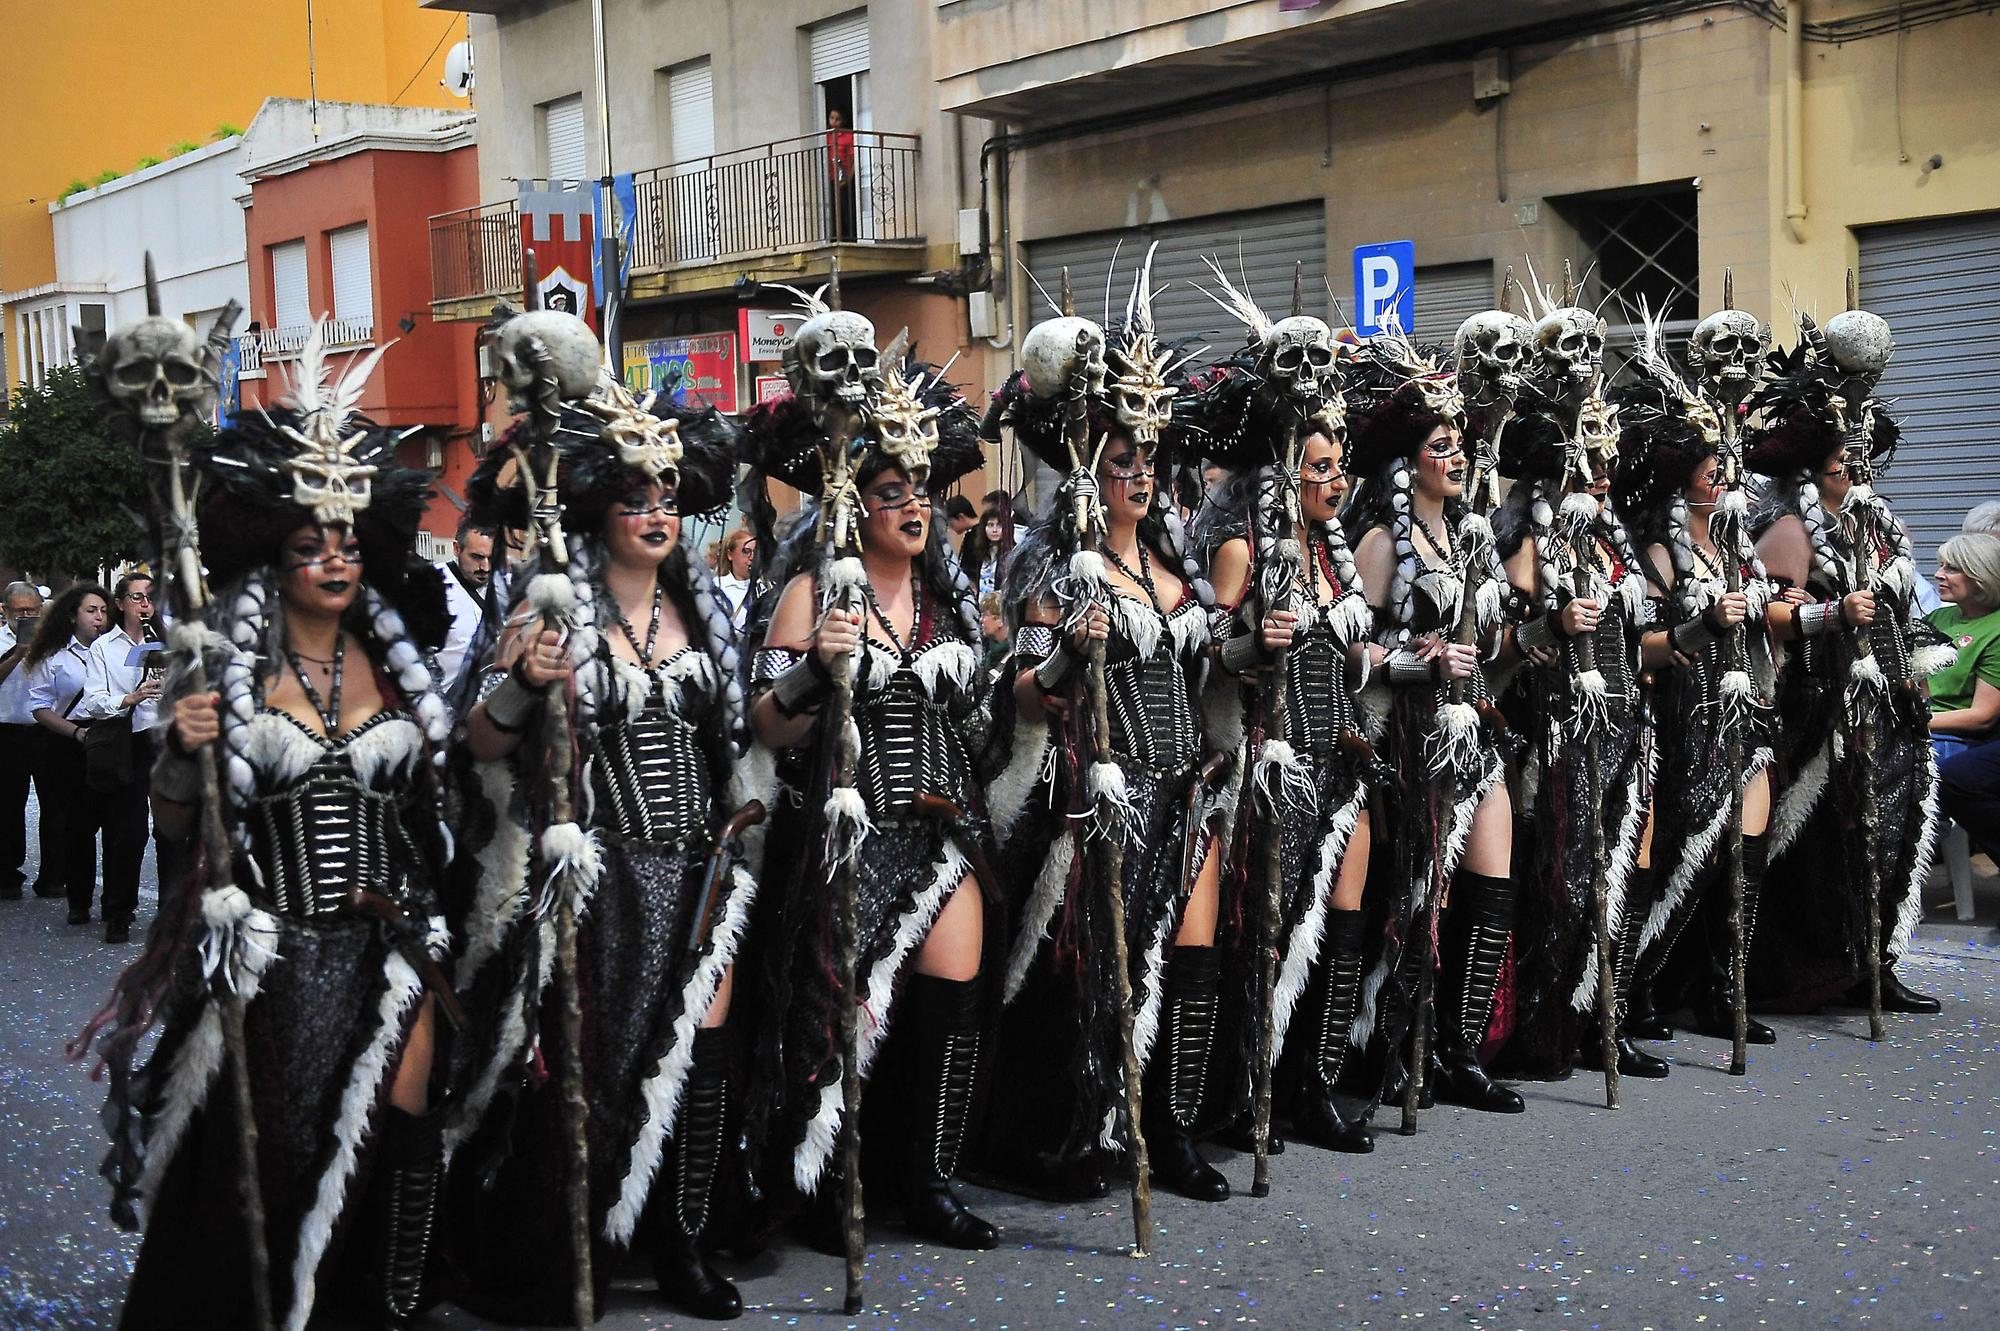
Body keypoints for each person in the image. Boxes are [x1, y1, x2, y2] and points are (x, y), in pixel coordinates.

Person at [91, 342, 456, 1330]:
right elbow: (175, 816)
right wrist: (182, 745)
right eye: (310, 543)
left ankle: (388, 1303)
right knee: (287, 1140)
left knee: (406, 1112)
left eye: (346, 541)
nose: (333, 559)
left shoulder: (398, 658)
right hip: (280, 945)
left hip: (393, 934)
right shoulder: (223, 668)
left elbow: (444, 800)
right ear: (274, 551)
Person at [447, 363, 753, 1322]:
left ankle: (681, 1244)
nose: (657, 513)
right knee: (594, 1065)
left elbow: (737, 739)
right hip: (601, 872)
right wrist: (529, 684)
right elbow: (479, 744)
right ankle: (570, 1245)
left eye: (668, 497)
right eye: (635, 497)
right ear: (598, 511)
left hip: (699, 866)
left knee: (697, 1054)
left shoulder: (702, 610)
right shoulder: (548, 610)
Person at [978, 267, 1237, 1203]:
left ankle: (1169, 1130)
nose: (1138, 476)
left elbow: (1209, 666)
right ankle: (1084, 1131)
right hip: (1101, 796)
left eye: (1148, 462)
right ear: (1090, 465)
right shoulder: (1055, 565)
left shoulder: (1174, 562)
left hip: (1188, 785)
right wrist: (1063, 658)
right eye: (1120, 459)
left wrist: (1256, 642)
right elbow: (1027, 690)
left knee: (1191, 960)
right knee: (1103, 975)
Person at [737, 332, 1000, 1251]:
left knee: (952, 999)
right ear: (856, 502)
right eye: (893, 492)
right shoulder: (815, 595)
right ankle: (823, 1181)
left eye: (921, 491)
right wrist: (816, 670)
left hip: (939, 831)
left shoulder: (950, 603)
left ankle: (927, 1183)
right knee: (837, 1017)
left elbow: (989, 716)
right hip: (848, 836)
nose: (914, 506)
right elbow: (766, 722)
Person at [1343, 334, 1525, 1116]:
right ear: (1409, 460)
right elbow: (1351, 649)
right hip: (1408, 744)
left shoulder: (1472, 536)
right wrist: (1416, 662)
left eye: (1460, 444)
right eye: (1439, 445)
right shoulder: (1385, 540)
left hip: (1472, 734)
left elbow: (1486, 644)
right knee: (1423, 894)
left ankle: (1459, 1049)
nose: (1456, 457)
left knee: (1492, 884)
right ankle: (1395, 1042)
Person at [1747, 311, 1943, 1015]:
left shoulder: (1880, 522)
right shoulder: (1792, 527)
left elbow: (1904, 607)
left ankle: (1879, 961)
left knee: (1897, 829)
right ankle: (1822, 967)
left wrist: (1912, 668)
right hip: (1825, 705)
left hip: (1892, 700)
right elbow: (1766, 612)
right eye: (1842, 465)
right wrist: (1833, 614)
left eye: (1862, 463)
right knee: (1837, 840)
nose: (1856, 473)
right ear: (1814, 471)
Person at [1491, 382, 1663, 1079]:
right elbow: (1498, 644)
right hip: (1558, 730)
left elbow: (1643, 639)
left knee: (1624, 869)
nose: (1599, 466)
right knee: (1569, 880)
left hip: (1626, 721)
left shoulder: (1607, 536)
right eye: (1581, 454)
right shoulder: (1526, 536)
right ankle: (1551, 1023)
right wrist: (1551, 626)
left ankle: (1608, 1020)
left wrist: (1702, 630)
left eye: (1604, 452)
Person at [76, 572, 166, 943]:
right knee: (128, 832)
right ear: (121, 603)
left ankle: (170, 913)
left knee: (172, 832)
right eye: (136, 598)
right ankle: (119, 911)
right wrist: (130, 697)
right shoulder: (104, 647)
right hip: (128, 741)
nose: (144, 605)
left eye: (150, 598)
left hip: (166, 739)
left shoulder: (167, 640)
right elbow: (93, 700)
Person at [24, 582, 112, 925]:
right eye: (91, 611)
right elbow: (40, 707)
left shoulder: (116, 650)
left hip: (110, 738)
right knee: (76, 825)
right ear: (73, 615)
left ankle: (118, 901)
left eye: (104, 611)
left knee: (119, 823)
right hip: (68, 740)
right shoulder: (56, 655)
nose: (99, 618)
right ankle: (79, 899)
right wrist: (76, 732)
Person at [1928, 532, 2000, 864]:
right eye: (1942, 565)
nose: (1939, 574)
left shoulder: (1996, 629)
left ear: (1982, 576)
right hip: (1922, 727)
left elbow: (1982, 716)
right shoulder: (1938, 619)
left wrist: (1915, 721)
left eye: (1952, 568)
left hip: (1959, 738)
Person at [0, 581, 50, 900]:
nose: (27, 617)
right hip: (6, 730)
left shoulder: (55, 641)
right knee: (7, 806)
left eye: (33, 611)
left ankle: (54, 874)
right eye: (21, 612)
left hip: (46, 729)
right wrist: (18, 653)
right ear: (5, 612)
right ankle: (7, 872)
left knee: (56, 804)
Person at [435, 517, 496, 692]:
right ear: (456, 548)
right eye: (477, 557)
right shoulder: (432, 588)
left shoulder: (505, 587)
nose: (485, 567)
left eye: (492, 558)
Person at [714, 526, 759, 629]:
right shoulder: (718, 586)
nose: (752, 557)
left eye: (755, 552)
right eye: (746, 552)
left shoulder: (763, 587)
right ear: (730, 554)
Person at [825, 107, 857, 242]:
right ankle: (833, 235)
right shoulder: (826, 136)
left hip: (844, 177)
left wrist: (848, 177)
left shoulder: (848, 136)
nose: (834, 122)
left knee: (845, 207)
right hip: (830, 177)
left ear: (843, 121)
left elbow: (853, 158)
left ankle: (849, 236)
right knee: (831, 206)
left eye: (837, 119)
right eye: (832, 118)